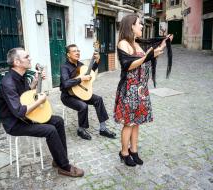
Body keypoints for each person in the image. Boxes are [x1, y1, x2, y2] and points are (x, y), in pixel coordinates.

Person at [0, 47, 84, 177]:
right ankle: (65, 167)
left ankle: (59, 159)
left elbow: (26, 95)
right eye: (26, 57)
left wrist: (36, 82)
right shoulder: (8, 82)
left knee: (58, 121)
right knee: (50, 130)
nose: (30, 58)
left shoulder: (21, 77)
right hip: (15, 123)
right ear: (17, 62)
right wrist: (40, 101)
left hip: (27, 117)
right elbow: (19, 112)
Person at [114, 14, 173, 166]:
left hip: (141, 89)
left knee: (137, 122)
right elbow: (128, 65)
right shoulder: (123, 44)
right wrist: (148, 56)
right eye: (139, 24)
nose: (141, 26)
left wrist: (163, 46)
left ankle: (134, 150)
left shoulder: (138, 44)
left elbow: (149, 58)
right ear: (131, 26)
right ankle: (124, 152)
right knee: (128, 123)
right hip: (130, 89)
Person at [60, 44, 116, 140]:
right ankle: (81, 130)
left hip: (81, 92)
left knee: (98, 99)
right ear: (68, 55)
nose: (77, 53)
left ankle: (103, 129)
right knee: (83, 106)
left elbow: (89, 72)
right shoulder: (64, 67)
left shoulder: (80, 65)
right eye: (74, 51)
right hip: (68, 96)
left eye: (78, 51)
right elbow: (65, 84)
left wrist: (97, 61)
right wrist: (81, 79)